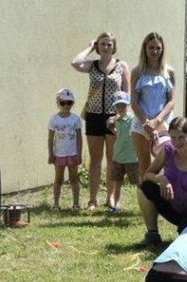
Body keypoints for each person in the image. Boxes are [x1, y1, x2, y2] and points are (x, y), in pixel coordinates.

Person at [71, 32, 131, 211]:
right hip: (94, 116)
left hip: (114, 117)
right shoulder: (92, 65)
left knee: (112, 159)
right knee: (95, 160)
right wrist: (90, 46)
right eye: (103, 44)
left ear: (114, 47)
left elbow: (127, 94)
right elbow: (75, 62)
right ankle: (92, 199)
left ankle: (111, 197)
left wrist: (119, 115)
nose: (106, 47)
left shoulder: (122, 66)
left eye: (109, 44)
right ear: (99, 46)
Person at [137, 117, 187, 246]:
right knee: (144, 187)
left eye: (181, 137)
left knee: (185, 242)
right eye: (173, 138)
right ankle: (152, 234)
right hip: (171, 207)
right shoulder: (167, 150)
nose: (176, 142)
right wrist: (162, 179)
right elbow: (148, 175)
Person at [130, 32, 176, 181]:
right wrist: (146, 123)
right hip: (141, 124)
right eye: (151, 47)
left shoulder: (168, 71)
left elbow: (171, 101)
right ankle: (145, 200)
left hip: (163, 125)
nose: (154, 51)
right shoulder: (137, 72)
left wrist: (157, 121)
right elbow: (134, 101)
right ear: (145, 48)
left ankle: (164, 198)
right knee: (144, 166)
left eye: (158, 48)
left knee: (167, 163)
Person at [47, 89, 83, 213]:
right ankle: (56, 204)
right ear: (58, 103)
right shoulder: (53, 120)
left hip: (72, 154)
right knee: (58, 179)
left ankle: (76, 203)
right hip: (59, 155)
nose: (66, 106)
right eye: (63, 103)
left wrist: (79, 154)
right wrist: (51, 153)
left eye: (69, 103)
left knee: (74, 179)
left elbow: (79, 139)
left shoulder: (75, 119)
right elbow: (51, 138)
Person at [106, 91, 138, 213]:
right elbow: (119, 134)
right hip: (118, 157)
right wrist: (110, 127)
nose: (120, 108)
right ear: (114, 106)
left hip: (132, 158)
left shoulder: (132, 118)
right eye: (118, 105)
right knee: (117, 183)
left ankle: (146, 204)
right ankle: (117, 206)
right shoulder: (115, 120)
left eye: (123, 105)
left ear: (128, 105)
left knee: (138, 183)